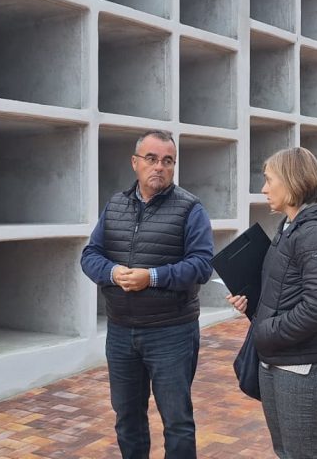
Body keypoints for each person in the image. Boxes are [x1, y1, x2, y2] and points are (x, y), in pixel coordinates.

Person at [227, 147, 317, 459]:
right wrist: (252, 302)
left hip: (306, 366)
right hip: (280, 359)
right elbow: (283, 290)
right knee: (286, 452)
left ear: (291, 181)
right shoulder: (290, 227)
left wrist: (265, 331)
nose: (264, 188)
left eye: (269, 180)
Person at [81, 130, 214, 459]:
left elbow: (202, 265)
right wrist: (113, 272)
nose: (159, 167)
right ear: (135, 163)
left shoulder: (190, 209)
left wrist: (151, 278)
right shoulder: (115, 206)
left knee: (177, 422)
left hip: (172, 331)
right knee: (127, 419)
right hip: (121, 330)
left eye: (167, 161)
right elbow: (90, 255)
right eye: (151, 159)